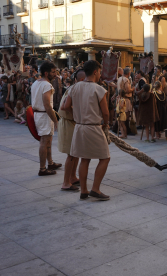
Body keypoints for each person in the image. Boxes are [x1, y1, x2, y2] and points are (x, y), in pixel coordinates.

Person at [63, 60, 110, 201]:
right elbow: (106, 113)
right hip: (93, 126)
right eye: (100, 72)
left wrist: (77, 116)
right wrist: (106, 124)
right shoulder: (99, 89)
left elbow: (66, 106)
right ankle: (95, 189)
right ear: (95, 72)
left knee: (85, 159)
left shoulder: (74, 87)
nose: (100, 75)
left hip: (79, 127)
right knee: (105, 158)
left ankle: (84, 190)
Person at [31, 61, 62, 176]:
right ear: (46, 73)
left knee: (48, 140)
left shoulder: (36, 83)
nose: (55, 74)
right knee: (44, 142)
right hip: (44, 115)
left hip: (41, 115)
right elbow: (47, 105)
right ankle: (42, 169)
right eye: (53, 72)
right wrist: (56, 120)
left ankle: (50, 163)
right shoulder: (46, 85)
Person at [58, 69, 86, 192]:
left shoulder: (77, 88)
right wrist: (76, 116)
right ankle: (66, 182)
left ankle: (73, 177)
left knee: (76, 153)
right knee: (71, 153)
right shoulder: (75, 89)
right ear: (81, 80)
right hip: (69, 122)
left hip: (72, 122)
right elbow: (65, 106)